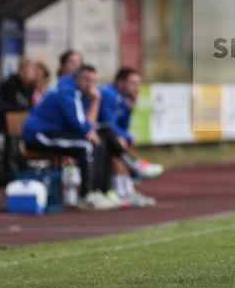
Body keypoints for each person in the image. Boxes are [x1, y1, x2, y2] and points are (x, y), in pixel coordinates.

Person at [22, 65, 117, 211]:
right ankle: (86, 195)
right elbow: (79, 124)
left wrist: (95, 101)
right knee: (87, 145)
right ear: (76, 79)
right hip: (39, 135)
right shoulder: (67, 91)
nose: (90, 85)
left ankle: (99, 191)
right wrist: (88, 131)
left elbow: (87, 124)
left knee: (101, 141)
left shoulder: (79, 93)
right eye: (86, 80)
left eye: (94, 81)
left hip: (54, 133)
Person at [97, 67, 162, 207]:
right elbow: (108, 124)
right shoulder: (108, 94)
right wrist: (128, 137)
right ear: (120, 83)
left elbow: (122, 127)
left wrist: (129, 111)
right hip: (93, 133)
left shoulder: (121, 99)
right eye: (133, 83)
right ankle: (119, 190)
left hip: (104, 134)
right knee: (120, 141)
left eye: (138, 84)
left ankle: (128, 190)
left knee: (123, 141)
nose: (137, 88)